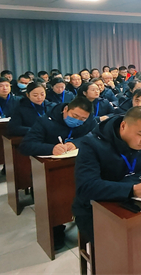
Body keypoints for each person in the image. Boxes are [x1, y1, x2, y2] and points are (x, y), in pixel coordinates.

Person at [72, 107, 141, 244]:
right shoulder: (91, 143)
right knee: (117, 249)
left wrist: (127, 187)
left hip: (137, 202)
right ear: (123, 126)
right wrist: (131, 188)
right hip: (95, 209)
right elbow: (87, 186)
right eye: (140, 134)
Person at [19, 96, 95, 249]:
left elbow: (94, 135)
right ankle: (56, 228)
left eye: (82, 119)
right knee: (55, 203)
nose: (78, 121)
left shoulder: (89, 121)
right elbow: (26, 146)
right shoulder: (45, 121)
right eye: (75, 116)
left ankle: (85, 224)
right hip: (51, 173)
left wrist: (76, 143)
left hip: (79, 169)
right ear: (66, 109)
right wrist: (51, 148)